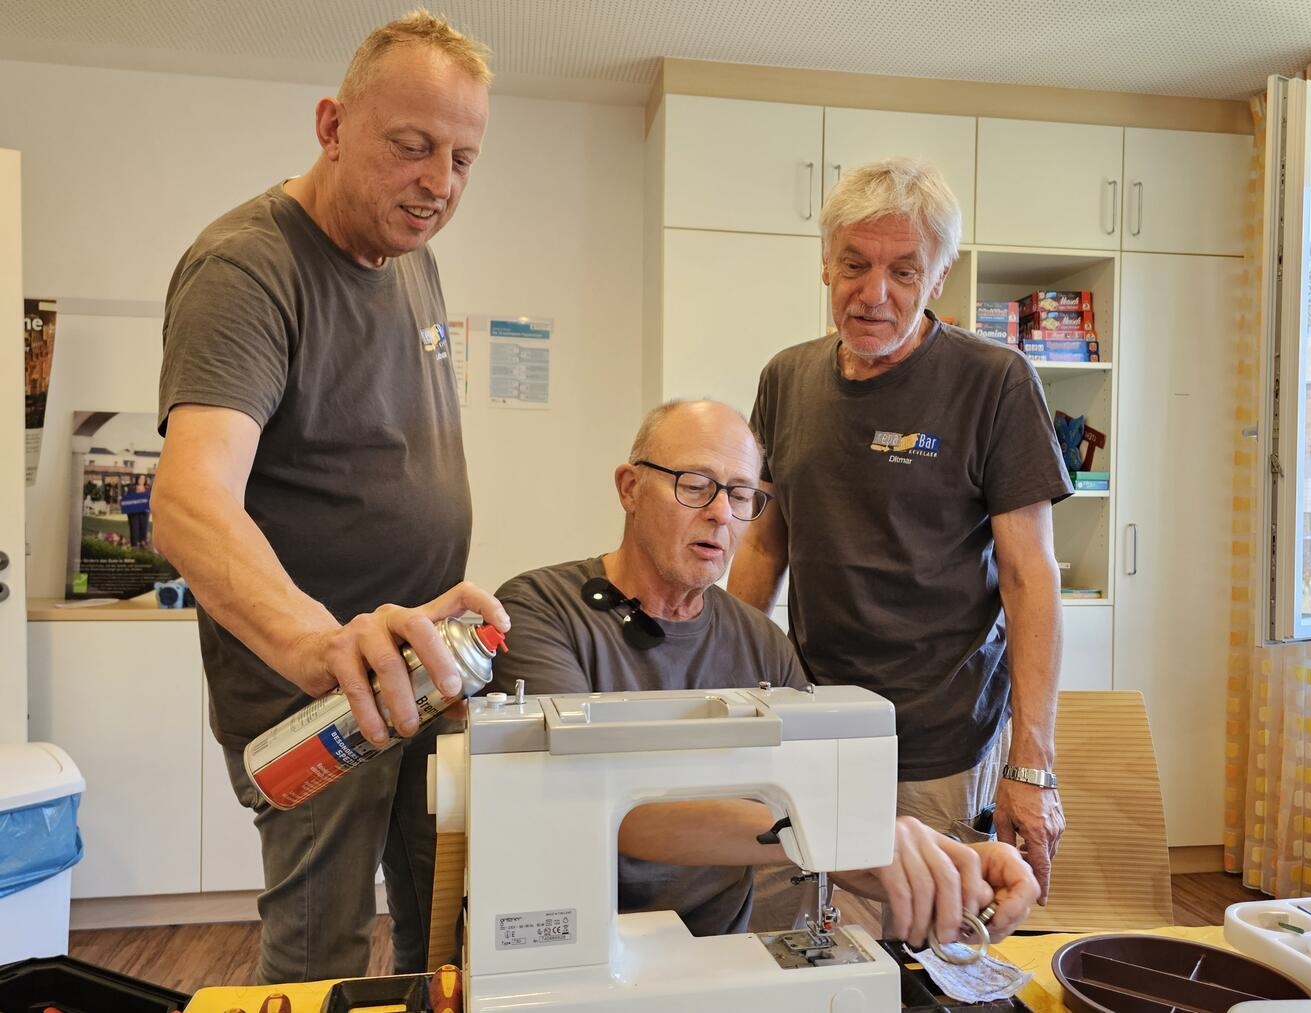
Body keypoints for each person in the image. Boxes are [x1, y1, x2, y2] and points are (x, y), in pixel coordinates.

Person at [152, 12, 509, 984]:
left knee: (447, 930)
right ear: (332, 125)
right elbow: (187, 500)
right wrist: (319, 643)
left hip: (424, 675)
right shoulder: (248, 266)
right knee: (325, 959)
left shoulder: (412, 259)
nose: (440, 182)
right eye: (413, 146)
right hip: (319, 697)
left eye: (463, 158)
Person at [492, 399, 1040, 947]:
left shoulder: (759, 644)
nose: (721, 514)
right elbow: (602, 804)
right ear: (630, 488)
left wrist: (957, 867)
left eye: (739, 494)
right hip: (566, 939)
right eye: (694, 484)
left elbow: (824, 835)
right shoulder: (539, 610)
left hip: (712, 949)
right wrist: (837, 829)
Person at [727, 157, 1073, 906]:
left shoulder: (997, 380)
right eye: (854, 263)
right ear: (826, 264)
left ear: (939, 277)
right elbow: (762, 542)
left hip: (937, 748)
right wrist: (728, 694)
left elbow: (1029, 578)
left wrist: (1030, 765)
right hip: (811, 727)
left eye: (903, 271)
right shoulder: (786, 377)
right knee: (800, 934)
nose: (873, 293)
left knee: (920, 945)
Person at [120, 474, 151, 548]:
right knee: (134, 528)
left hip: (144, 512)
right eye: (140, 479)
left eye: (143, 479)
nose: (142, 480)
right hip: (134, 513)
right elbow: (127, 499)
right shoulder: (132, 488)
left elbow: (151, 499)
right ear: (137, 479)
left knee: (143, 528)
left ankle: (142, 543)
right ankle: (134, 545)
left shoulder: (148, 488)